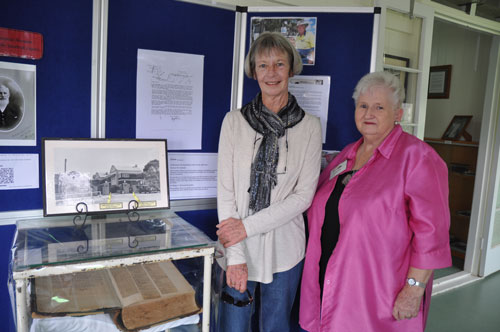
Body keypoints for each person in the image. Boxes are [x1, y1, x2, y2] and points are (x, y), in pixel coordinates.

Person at [299, 71, 451, 332]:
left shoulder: (417, 158)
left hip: (379, 291)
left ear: (397, 114)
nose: (369, 113)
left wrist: (414, 289)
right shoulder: (346, 155)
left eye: (379, 107)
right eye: (363, 106)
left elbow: (432, 234)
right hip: (328, 279)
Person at [216, 32, 322, 331]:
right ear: (253, 71)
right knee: (233, 326)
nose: (271, 73)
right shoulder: (233, 122)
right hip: (238, 248)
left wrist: (246, 227)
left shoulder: (311, 127)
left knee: (275, 326)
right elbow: (226, 193)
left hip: (285, 251)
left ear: (291, 69)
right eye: (263, 65)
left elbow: (303, 197)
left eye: (279, 64)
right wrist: (235, 255)